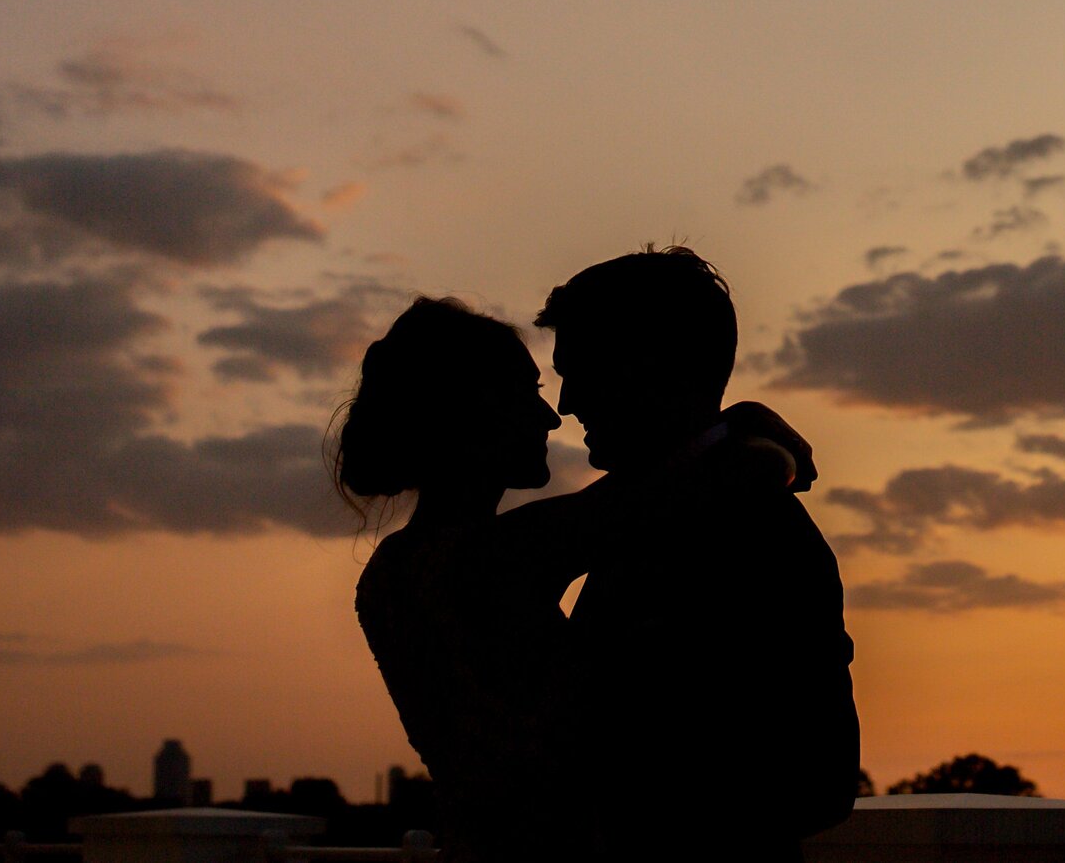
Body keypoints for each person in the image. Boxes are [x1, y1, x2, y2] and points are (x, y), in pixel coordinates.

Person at [333, 295, 810, 863]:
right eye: (526, 393)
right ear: (470, 413)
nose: (551, 416)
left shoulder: (398, 567)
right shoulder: (494, 554)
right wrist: (743, 426)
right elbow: (729, 476)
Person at [537, 248, 861, 863]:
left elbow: (820, 781)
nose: (567, 403)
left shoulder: (754, 527)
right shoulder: (654, 511)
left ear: (655, 368)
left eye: (583, 371)